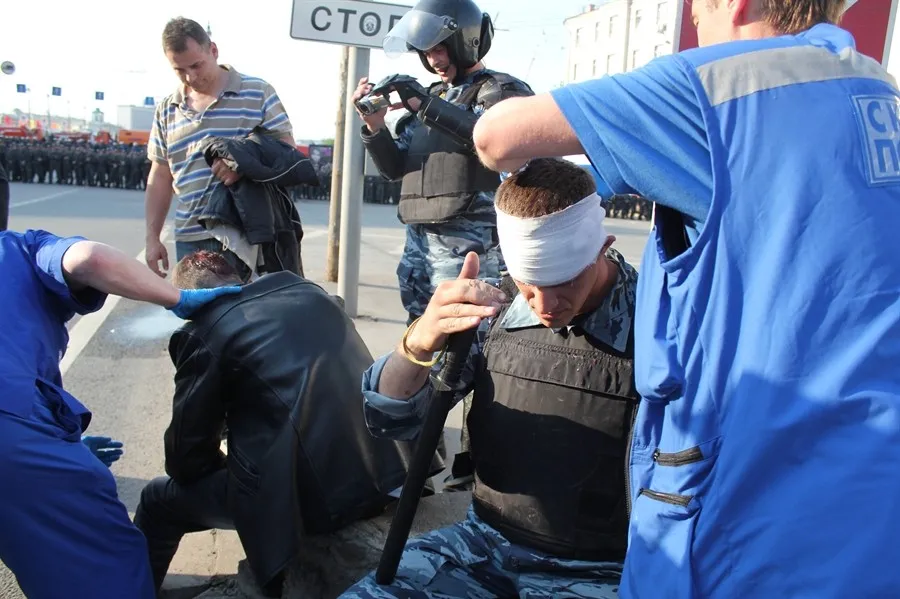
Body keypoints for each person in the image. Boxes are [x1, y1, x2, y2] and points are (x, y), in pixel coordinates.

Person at [471, 2, 900, 598]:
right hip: (873, 495)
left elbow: (497, 137)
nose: (697, 23)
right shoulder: (880, 95)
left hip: (747, 503)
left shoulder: (722, 87)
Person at [341, 158, 639, 598]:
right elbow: (391, 420)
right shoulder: (495, 313)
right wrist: (420, 340)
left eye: (563, 282)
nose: (545, 305)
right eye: (529, 283)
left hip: (605, 570)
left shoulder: (659, 327)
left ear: (602, 247)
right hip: (483, 548)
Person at [134, 251, 441, 597]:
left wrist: (228, 461)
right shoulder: (304, 289)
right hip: (393, 471)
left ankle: (132, 590)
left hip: (314, 501)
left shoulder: (204, 333)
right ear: (239, 279)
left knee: (157, 501)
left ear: (186, 303)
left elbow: (185, 458)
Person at [0, 226, 240, 598]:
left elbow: (189, 451)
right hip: (13, 434)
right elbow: (88, 259)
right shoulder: (18, 248)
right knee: (109, 565)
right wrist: (175, 298)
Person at [352, 0, 533, 325]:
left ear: (465, 42)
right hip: (420, 238)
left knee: (468, 332)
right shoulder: (432, 95)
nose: (434, 60)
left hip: (471, 240)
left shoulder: (500, 90)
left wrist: (424, 104)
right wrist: (375, 127)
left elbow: (497, 141)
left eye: (440, 49)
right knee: (421, 330)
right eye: (427, 52)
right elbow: (395, 169)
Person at [144, 17, 295, 280]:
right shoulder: (167, 109)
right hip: (190, 239)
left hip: (246, 238)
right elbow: (160, 175)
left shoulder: (257, 93)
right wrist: (152, 238)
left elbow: (287, 151)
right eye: (179, 70)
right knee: (196, 308)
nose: (190, 77)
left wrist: (244, 166)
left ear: (213, 50)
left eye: (196, 65)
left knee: (247, 307)